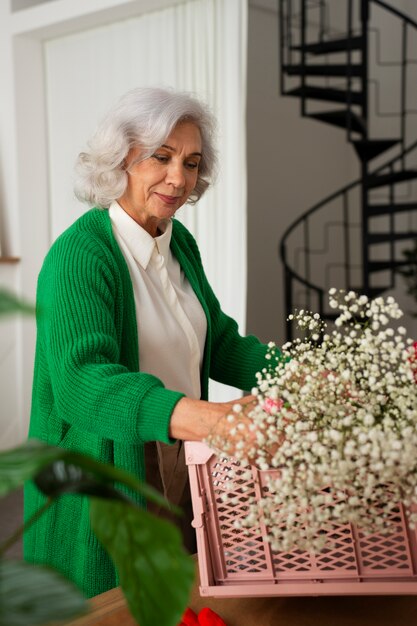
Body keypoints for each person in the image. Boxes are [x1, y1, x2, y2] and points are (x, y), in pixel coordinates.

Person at [24, 86, 269, 598]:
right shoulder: (80, 254)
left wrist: (308, 369)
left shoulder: (178, 242)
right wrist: (209, 418)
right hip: (109, 467)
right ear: (122, 158)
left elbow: (217, 341)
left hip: (180, 450)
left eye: (192, 162)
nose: (178, 178)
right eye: (161, 157)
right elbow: (82, 382)